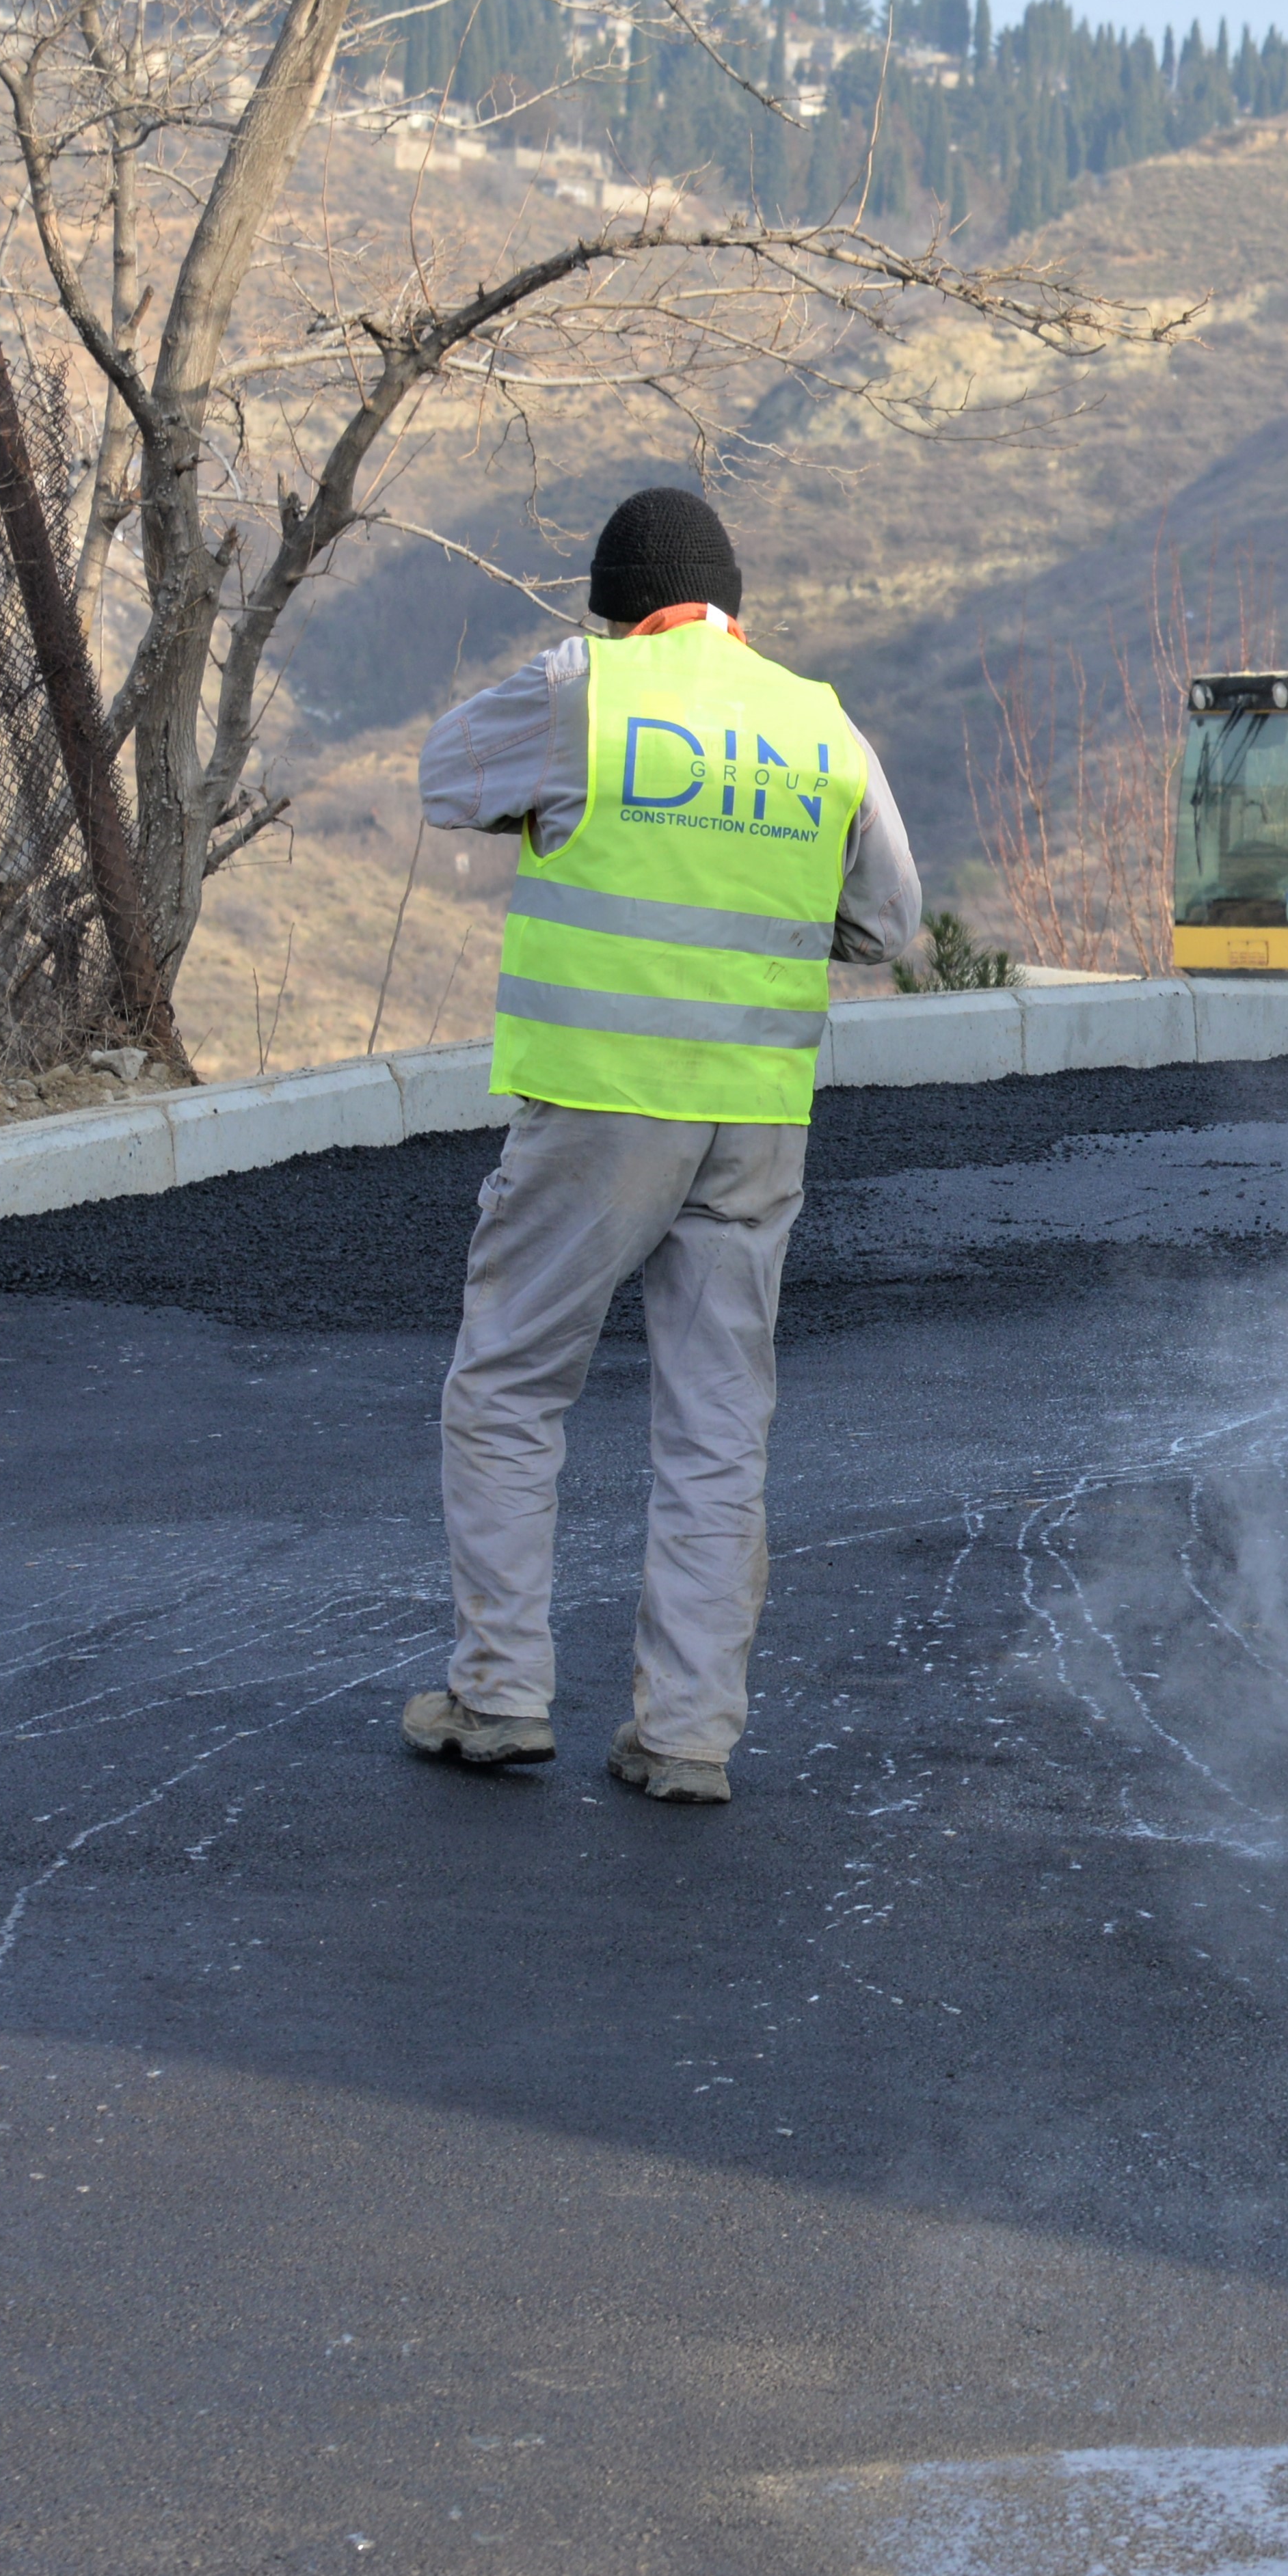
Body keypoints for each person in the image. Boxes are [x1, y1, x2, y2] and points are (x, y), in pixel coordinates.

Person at [400, 488, 922, 1801]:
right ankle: (688, 1736)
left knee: (510, 1385)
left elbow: (446, 779)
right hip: (754, 1116)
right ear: (729, 608)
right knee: (716, 1424)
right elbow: (889, 923)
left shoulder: (587, 689)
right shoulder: (819, 721)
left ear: (617, 610)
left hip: (602, 1102)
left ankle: (499, 1693)